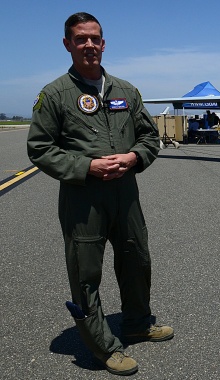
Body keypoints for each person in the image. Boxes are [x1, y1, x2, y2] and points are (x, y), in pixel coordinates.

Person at [27, 12, 173, 376]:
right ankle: (102, 347)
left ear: (104, 43)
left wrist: (133, 157)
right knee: (85, 273)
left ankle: (137, 323)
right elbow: (40, 148)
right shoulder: (56, 94)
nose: (89, 44)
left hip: (126, 194)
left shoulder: (126, 91)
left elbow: (149, 138)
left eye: (94, 38)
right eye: (80, 39)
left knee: (137, 260)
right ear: (67, 44)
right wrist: (85, 167)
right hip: (83, 199)